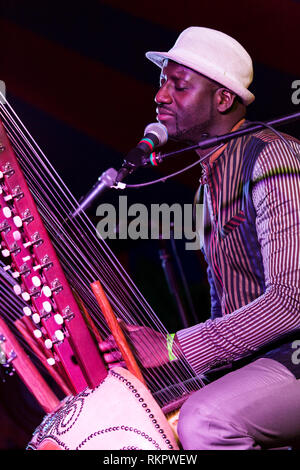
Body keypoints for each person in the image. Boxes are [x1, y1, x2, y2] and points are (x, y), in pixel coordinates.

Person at [100, 26, 300, 450]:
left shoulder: (273, 157)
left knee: (206, 421)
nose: (160, 96)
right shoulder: (207, 186)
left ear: (223, 99)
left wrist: (173, 347)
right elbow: (228, 306)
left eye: (180, 85)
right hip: (264, 364)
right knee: (137, 431)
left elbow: (289, 301)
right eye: (162, 82)